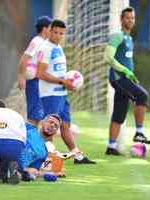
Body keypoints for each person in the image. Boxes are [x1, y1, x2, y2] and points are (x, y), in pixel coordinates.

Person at [36, 19, 96, 164]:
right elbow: (41, 73)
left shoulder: (59, 48)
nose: (58, 35)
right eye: (55, 32)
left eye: (61, 33)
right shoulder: (45, 48)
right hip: (50, 94)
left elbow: (58, 73)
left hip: (61, 94)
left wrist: (69, 83)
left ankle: (77, 156)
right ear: (49, 31)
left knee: (65, 125)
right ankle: (46, 159)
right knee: (49, 128)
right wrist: (63, 82)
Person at [105, 7, 150, 156]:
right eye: (127, 18)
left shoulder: (129, 38)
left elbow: (126, 60)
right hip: (119, 78)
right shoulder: (117, 36)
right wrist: (125, 71)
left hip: (126, 78)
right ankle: (139, 132)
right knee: (142, 96)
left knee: (119, 113)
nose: (130, 20)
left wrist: (131, 75)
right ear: (121, 19)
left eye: (132, 18)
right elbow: (108, 58)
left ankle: (111, 147)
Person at [17, 16, 52, 127]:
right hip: (33, 81)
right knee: (34, 115)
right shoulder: (37, 42)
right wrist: (21, 77)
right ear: (45, 28)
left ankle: (34, 139)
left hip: (40, 82)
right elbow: (24, 59)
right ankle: (29, 140)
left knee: (38, 115)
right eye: (50, 27)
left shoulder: (44, 43)